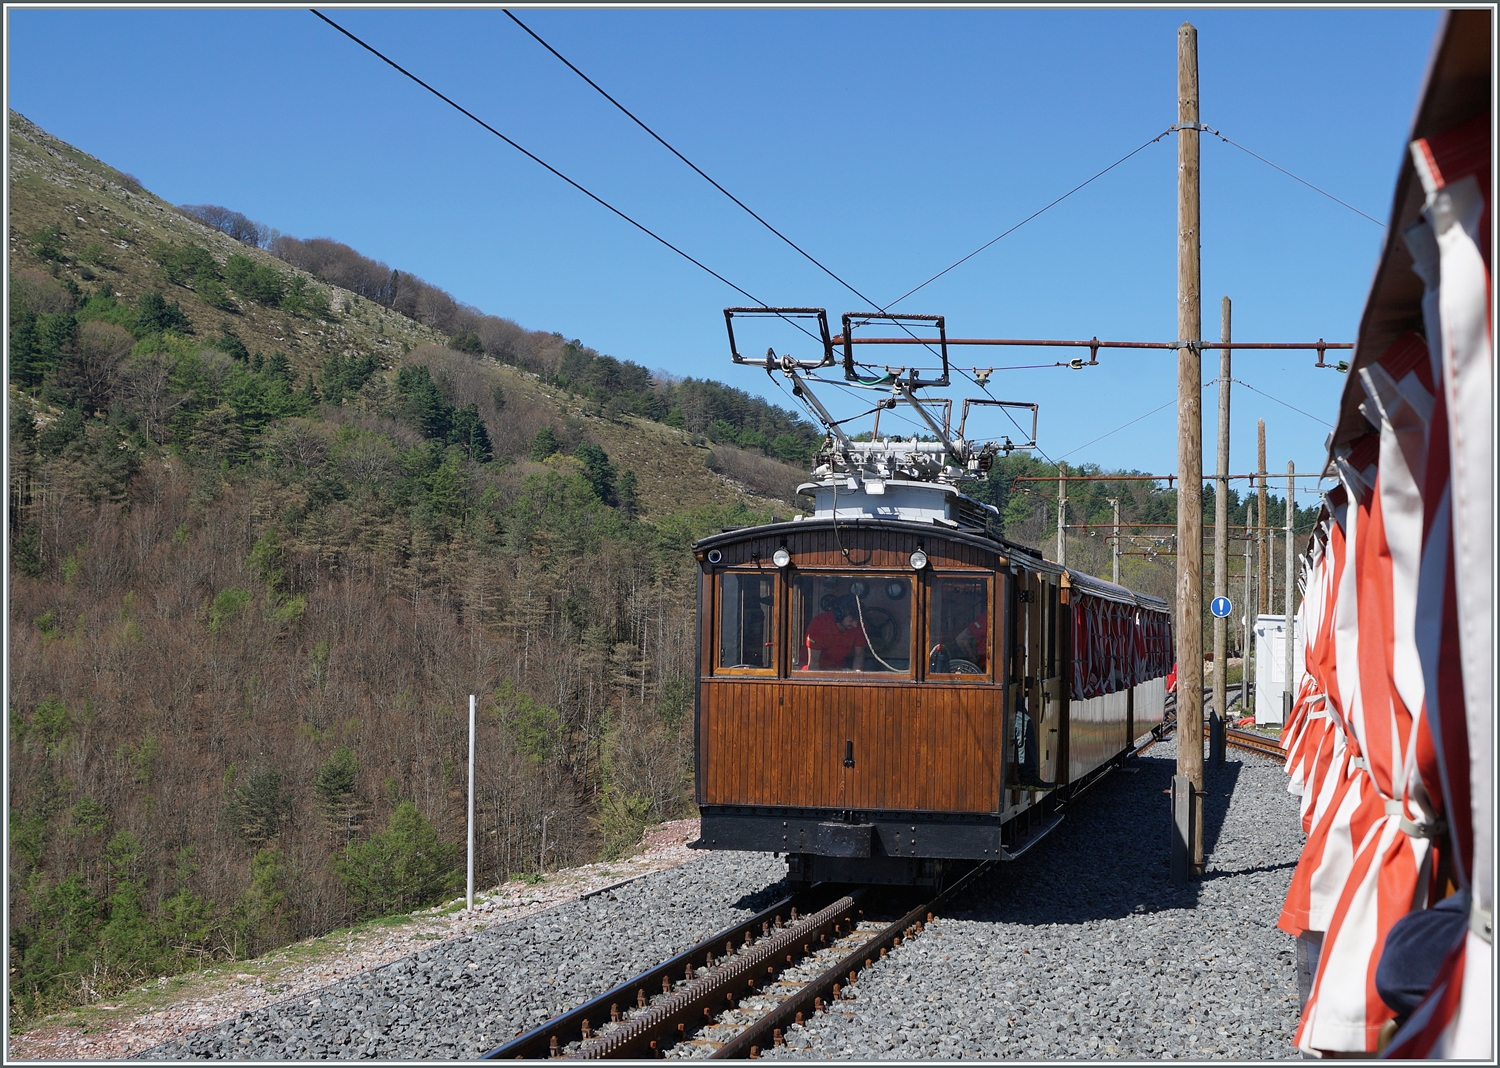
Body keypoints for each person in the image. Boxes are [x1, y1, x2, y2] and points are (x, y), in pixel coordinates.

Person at [803, 596, 867, 671]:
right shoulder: (818, 625)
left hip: (838, 669)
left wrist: (857, 678)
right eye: (851, 620)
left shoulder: (858, 626)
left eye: (857, 621)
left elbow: (858, 656)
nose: (855, 625)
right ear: (839, 615)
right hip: (811, 670)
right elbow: (813, 665)